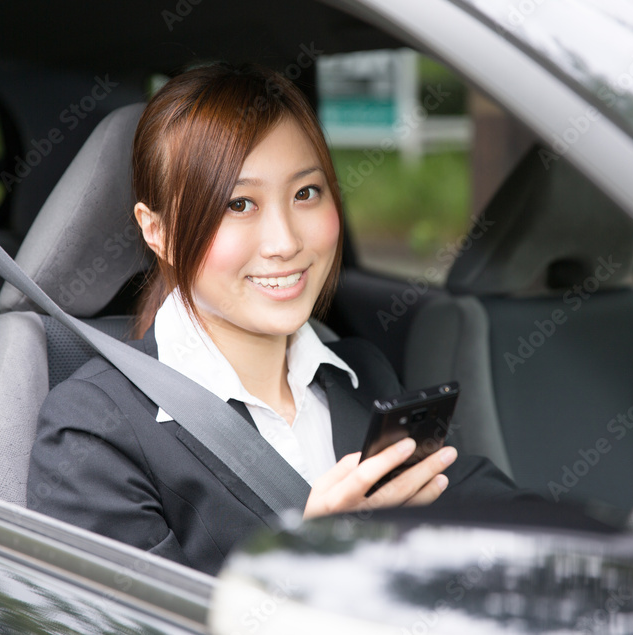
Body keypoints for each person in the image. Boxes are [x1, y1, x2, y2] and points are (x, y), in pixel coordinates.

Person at [27, 63, 518, 575]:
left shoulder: (362, 375)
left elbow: (506, 520)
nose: (285, 242)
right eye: (239, 204)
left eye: (306, 193)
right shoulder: (94, 429)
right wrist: (303, 562)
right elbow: (124, 612)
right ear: (158, 232)